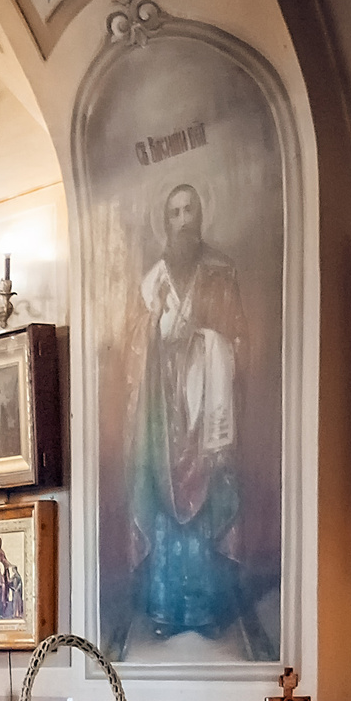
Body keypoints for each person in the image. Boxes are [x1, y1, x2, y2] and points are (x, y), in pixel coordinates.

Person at [129, 181, 246, 640]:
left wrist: (206, 341)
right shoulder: (153, 279)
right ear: (165, 221)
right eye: (174, 213)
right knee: (162, 500)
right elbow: (133, 347)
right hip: (163, 407)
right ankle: (164, 609)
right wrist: (155, 325)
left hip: (205, 406)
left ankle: (205, 609)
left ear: (201, 217)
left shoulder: (221, 273)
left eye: (189, 211)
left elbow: (241, 340)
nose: (182, 221)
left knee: (207, 502)